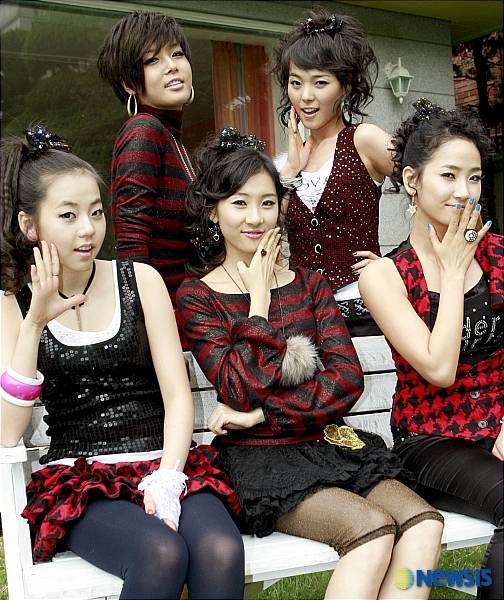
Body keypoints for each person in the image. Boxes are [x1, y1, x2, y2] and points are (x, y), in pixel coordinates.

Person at [176, 127, 444, 600]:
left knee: (424, 524)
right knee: (372, 531)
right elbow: (238, 386)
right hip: (262, 462)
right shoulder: (198, 297)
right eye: (239, 203)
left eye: (267, 202)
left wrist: (264, 413)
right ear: (213, 211)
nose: (256, 217)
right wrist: (258, 302)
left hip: (332, 446)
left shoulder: (311, 284)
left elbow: (346, 380)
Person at [0, 125, 244, 600]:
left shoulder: (140, 280)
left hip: (165, 460)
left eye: (96, 212)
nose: (88, 229)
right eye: (68, 215)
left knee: (219, 548)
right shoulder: (14, 305)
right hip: (82, 479)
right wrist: (34, 324)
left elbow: (178, 398)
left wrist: (168, 478)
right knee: (161, 553)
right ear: (30, 225)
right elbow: (9, 431)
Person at [359, 99, 503, 600]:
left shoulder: (499, 254)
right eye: (449, 176)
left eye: (474, 177)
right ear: (412, 181)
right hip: (433, 440)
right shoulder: (386, 276)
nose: (464, 192)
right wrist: (455, 271)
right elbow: (439, 369)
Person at [272, 11, 395, 337]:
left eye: (320, 82)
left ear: (345, 86)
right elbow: (265, 230)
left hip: (367, 313)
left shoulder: (364, 139)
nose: (305, 96)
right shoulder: (286, 163)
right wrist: (290, 171)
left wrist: (398, 261)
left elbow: (427, 179)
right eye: (296, 83)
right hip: (305, 318)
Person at [97, 11, 195, 308]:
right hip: (166, 314)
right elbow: (131, 242)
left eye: (176, 54)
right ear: (129, 83)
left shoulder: (170, 137)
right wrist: (146, 318)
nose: (172, 66)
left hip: (188, 309)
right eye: (153, 60)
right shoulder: (144, 130)